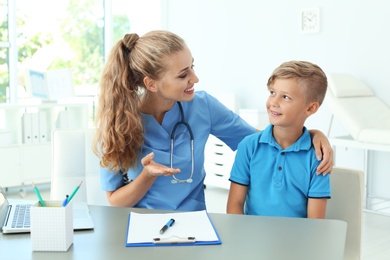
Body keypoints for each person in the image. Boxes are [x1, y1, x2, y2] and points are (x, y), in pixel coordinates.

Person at [93, 30, 333, 211]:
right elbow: (115, 201)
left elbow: (259, 139)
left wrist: (311, 134)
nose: (195, 78)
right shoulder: (118, 123)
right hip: (140, 225)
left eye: (192, 67)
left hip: (193, 224)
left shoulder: (202, 106)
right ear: (151, 84)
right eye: (183, 74)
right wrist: (147, 175)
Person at [227, 60, 331, 218]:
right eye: (272, 93)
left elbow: (315, 222)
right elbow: (234, 205)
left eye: (286, 97)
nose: (274, 102)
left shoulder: (317, 157)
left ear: (310, 108)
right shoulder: (249, 146)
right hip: (252, 237)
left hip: (296, 240)